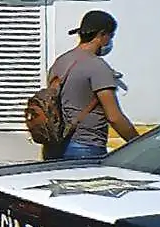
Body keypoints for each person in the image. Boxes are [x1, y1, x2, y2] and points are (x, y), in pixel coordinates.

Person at [42, 10, 141, 160]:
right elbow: (114, 117)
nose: (110, 42)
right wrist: (139, 144)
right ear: (102, 35)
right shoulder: (97, 66)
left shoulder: (60, 62)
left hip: (54, 147)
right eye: (111, 36)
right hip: (86, 147)